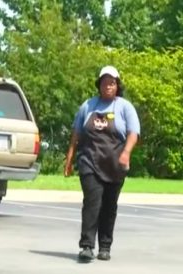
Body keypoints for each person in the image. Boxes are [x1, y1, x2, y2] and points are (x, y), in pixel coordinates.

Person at [64, 65, 140, 261]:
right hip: (89, 161)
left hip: (115, 165)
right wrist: (70, 159)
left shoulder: (125, 107)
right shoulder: (88, 106)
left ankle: (105, 246)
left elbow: (133, 133)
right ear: (99, 85)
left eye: (112, 82)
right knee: (92, 202)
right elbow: (76, 134)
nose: (108, 86)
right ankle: (87, 245)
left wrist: (126, 153)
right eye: (105, 82)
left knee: (109, 206)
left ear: (117, 86)